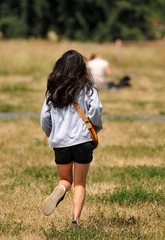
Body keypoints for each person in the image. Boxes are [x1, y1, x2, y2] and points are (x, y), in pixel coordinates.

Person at [40, 50, 103, 225]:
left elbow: (44, 117)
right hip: (83, 141)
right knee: (80, 184)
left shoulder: (53, 88)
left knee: (66, 180)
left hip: (60, 142)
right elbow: (96, 109)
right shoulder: (88, 86)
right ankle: (75, 220)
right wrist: (95, 127)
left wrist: (51, 133)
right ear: (81, 67)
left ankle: (61, 188)